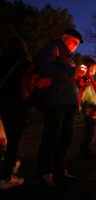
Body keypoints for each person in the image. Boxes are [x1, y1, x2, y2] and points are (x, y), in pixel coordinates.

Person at [35, 28, 85, 187]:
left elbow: (67, 76)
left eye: (78, 44)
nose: (76, 46)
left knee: (66, 137)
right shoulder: (52, 48)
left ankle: (59, 171)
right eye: (74, 42)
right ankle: (45, 173)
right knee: (52, 137)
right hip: (55, 101)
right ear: (64, 38)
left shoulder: (68, 57)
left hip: (68, 102)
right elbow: (43, 67)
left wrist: (79, 80)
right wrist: (72, 71)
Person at [0, 33, 31, 190]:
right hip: (17, 104)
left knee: (3, 139)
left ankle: (7, 168)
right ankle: (7, 176)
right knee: (13, 140)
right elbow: (30, 85)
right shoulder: (24, 63)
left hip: (2, 104)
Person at [78, 57, 96, 159]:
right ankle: (86, 151)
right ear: (90, 67)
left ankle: (84, 150)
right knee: (92, 130)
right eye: (94, 67)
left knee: (90, 129)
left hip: (86, 106)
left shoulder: (82, 77)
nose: (95, 70)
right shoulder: (89, 78)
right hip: (91, 107)